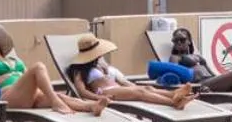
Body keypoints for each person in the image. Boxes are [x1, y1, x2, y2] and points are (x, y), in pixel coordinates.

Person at [0, 23, 106, 115]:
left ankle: (92, 107)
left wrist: (17, 74)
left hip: (28, 96)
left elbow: (30, 79)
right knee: (38, 67)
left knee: (60, 96)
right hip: (7, 98)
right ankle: (56, 103)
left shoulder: (15, 60)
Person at [67, 34, 195, 109]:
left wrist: (105, 68)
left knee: (147, 88)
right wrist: (99, 98)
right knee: (140, 92)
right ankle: (173, 102)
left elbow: (117, 79)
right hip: (106, 92)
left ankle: (175, 94)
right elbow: (82, 91)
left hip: (116, 88)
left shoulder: (99, 63)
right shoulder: (79, 69)